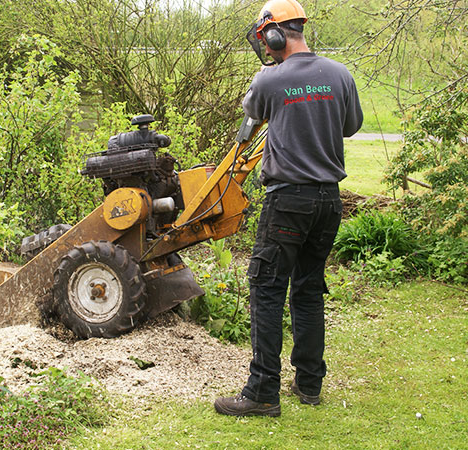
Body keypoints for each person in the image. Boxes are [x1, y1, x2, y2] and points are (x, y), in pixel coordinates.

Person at [214, 0, 363, 417]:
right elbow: (351, 126)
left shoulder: (269, 80)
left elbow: (251, 113)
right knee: (309, 288)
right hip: (328, 201)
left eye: (265, 38)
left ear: (273, 36)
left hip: (288, 203)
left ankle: (262, 392)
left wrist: (268, 79)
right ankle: (310, 384)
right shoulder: (340, 74)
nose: (264, 46)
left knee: (265, 287)